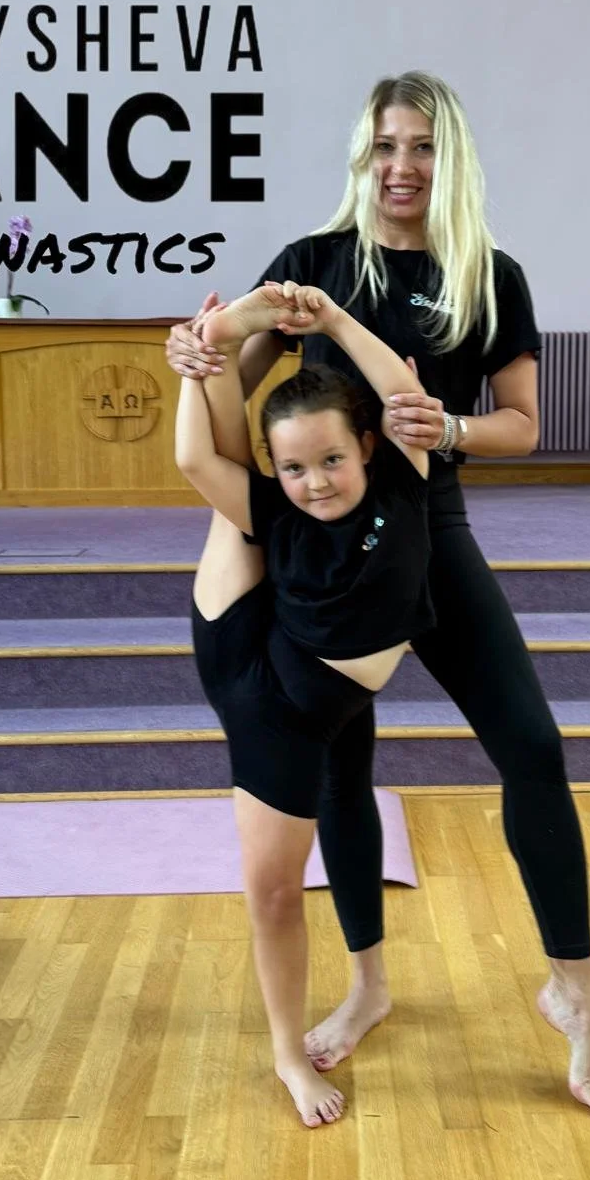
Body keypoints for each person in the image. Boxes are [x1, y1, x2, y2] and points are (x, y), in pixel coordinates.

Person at [168, 71, 590, 1119]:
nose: (402, 166)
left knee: (534, 747)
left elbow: (521, 420)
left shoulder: (487, 274)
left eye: (420, 147)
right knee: (339, 766)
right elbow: (231, 365)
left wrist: (449, 432)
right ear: (363, 157)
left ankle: (577, 987)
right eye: (385, 147)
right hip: (316, 547)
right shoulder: (316, 262)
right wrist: (201, 346)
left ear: (448, 157)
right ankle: (367, 982)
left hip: (427, 528)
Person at [175, 279, 433, 1126]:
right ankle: (289, 1056)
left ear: (366, 447)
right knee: (275, 893)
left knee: (243, 494)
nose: (316, 482)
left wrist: (329, 319)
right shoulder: (278, 509)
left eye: (329, 461)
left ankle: (223, 338)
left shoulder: (401, 481)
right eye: (296, 466)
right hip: (264, 693)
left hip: (287, 656)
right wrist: (193, 371)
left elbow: (400, 389)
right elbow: (193, 462)